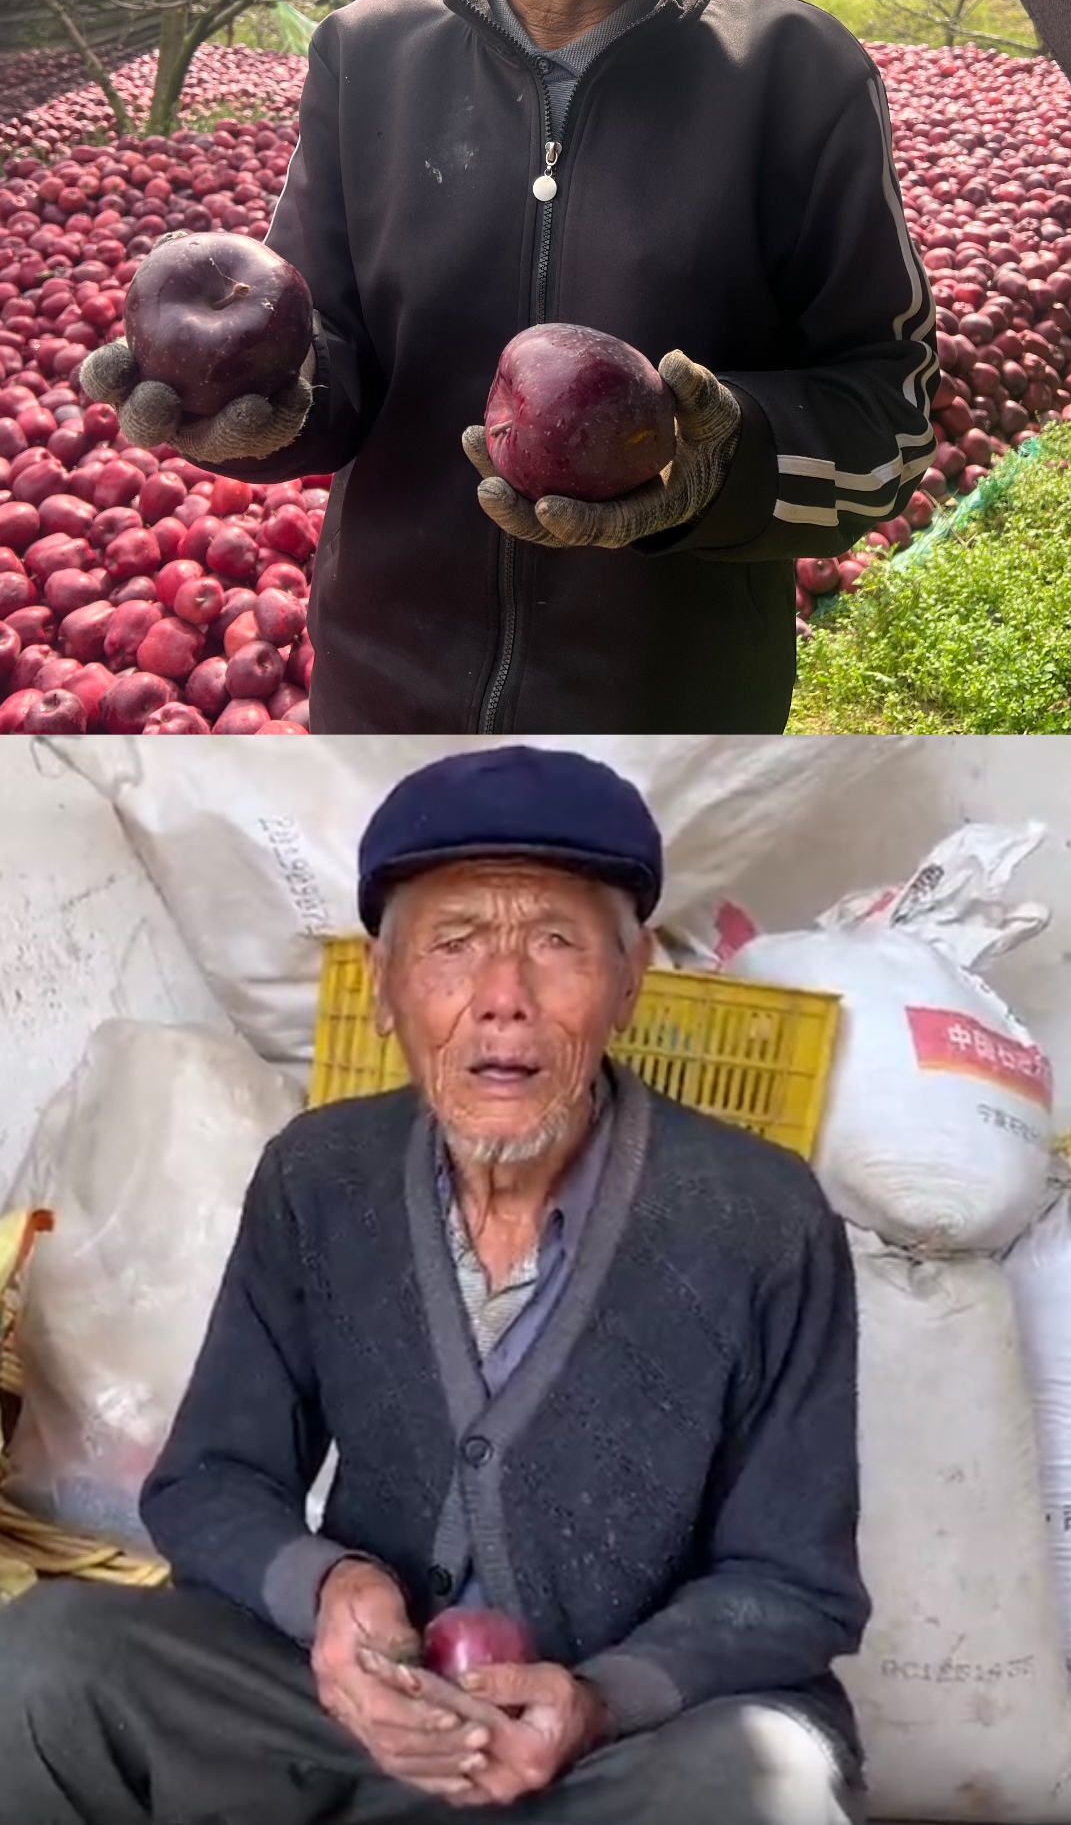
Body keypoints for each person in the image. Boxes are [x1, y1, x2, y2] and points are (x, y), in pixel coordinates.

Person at [80, 0, 938, 734]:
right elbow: (326, 358)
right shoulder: (365, 54)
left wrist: (713, 468)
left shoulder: (797, 78)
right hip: (385, 711)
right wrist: (266, 412)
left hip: (671, 733)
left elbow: (893, 416)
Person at [0, 749, 868, 1823]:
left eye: (555, 944)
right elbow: (210, 1482)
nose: (502, 999)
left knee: (764, 1786)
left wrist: (596, 1699)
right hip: (358, 1718)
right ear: (381, 985)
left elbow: (792, 1586)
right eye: (453, 946)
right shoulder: (320, 1177)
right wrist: (327, 1591)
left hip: (617, 1744)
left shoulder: (763, 1215)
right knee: (44, 1663)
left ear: (632, 978)